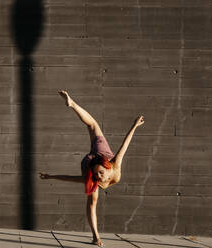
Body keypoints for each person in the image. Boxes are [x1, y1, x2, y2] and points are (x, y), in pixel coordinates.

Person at [39, 90, 144, 247]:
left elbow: (125, 144)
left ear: (108, 168)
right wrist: (51, 176)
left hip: (102, 154)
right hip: (89, 164)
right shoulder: (93, 177)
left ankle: (72, 104)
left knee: (93, 124)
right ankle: (96, 237)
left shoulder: (115, 163)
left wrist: (134, 125)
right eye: (98, 175)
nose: (100, 177)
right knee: (92, 202)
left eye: (101, 173)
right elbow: (70, 178)